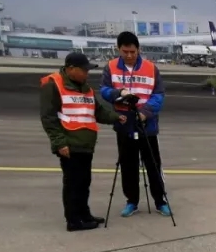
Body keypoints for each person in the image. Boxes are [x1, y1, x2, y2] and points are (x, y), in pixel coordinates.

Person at [40, 51, 125, 231]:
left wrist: (117, 117)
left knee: (84, 182)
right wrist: (59, 143)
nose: (87, 73)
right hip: (69, 144)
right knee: (73, 184)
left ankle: (84, 213)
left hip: (86, 144)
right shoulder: (54, 84)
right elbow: (48, 118)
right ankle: (73, 220)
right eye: (84, 70)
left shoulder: (85, 87)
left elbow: (98, 111)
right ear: (71, 69)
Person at [99, 31, 171, 217]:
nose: (129, 55)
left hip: (147, 123)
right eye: (125, 52)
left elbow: (159, 95)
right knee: (127, 164)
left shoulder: (151, 68)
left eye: (133, 52)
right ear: (119, 49)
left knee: (153, 163)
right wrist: (118, 93)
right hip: (124, 122)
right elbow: (104, 90)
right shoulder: (111, 67)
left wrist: (145, 113)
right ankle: (132, 201)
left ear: (138, 50)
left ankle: (160, 200)